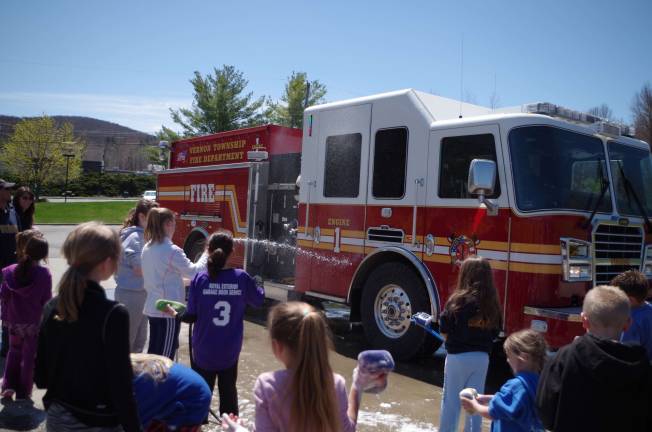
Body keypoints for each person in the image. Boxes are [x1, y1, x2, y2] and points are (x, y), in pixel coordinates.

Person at [35, 222, 141, 431]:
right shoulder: (113, 314)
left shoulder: (52, 306)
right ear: (106, 263)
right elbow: (121, 385)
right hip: (99, 420)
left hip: (58, 415)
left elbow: (40, 376)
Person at [165, 231, 264, 417]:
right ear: (232, 251)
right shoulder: (241, 278)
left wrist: (175, 313)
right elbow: (258, 301)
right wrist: (259, 282)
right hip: (229, 351)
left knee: (200, 396)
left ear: (207, 250)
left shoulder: (200, 280)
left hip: (203, 350)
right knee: (229, 395)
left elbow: (191, 316)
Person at [536, 285, 651, 431]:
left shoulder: (564, 359)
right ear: (627, 324)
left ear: (584, 320)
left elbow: (545, 413)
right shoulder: (641, 364)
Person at [249, 301, 360, 432]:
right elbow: (347, 429)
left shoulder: (267, 386)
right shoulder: (336, 384)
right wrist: (357, 385)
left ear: (276, 347)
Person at [439, 256, 502, 432]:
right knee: (475, 401)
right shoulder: (493, 305)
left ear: (464, 275)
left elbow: (444, 329)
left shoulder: (456, 301)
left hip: (456, 358)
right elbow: (495, 333)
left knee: (451, 402)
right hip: (481, 359)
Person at [141, 208, 207, 360]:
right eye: (174, 223)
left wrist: (183, 282)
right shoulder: (172, 250)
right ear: (169, 223)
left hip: (153, 307)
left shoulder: (148, 247)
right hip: (168, 311)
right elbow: (195, 271)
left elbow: (161, 278)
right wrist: (206, 253)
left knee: (154, 355)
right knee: (165, 359)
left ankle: (150, 383)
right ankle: (162, 384)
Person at [461, 329, 546, 432]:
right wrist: (486, 398)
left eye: (509, 356)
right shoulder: (540, 383)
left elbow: (492, 413)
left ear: (524, 357)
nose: (507, 360)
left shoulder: (515, 386)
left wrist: (474, 405)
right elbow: (517, 401)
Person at [0, 230, 51, 400]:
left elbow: (4, 295)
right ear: (44, 256)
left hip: (14, 321)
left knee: (13, 352)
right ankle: (23, 390)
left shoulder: (10, 271)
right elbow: (46, 300)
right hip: (33, 323)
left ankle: (8, 386)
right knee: (29, 357)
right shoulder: (44, 275)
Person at [115, 199, 159, 352]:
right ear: (142, 217)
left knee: (140, 341)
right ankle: (123, 375)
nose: (156, 223)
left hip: (142, 294)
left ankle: (133, 375)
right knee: (127, 342)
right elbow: (139, 269)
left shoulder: (145, 236)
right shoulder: (134, 237)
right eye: (153, 219)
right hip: (131, 295)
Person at [131, 353, 211, 431]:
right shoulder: (130, 372)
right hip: (189, 386)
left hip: (194, 398)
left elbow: (136, 423)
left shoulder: (137, 385)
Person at [611, 270, 652, 360]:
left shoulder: (630, 321)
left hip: (641, 367)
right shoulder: (649, 308)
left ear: (630, 300)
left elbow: (626, 353)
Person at [0, 179, 18, 358]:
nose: (10, 192)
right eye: (6, 189)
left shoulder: (11, 210)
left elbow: (17, 234)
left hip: (11, 268)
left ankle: (6, 345)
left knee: (9, 308)